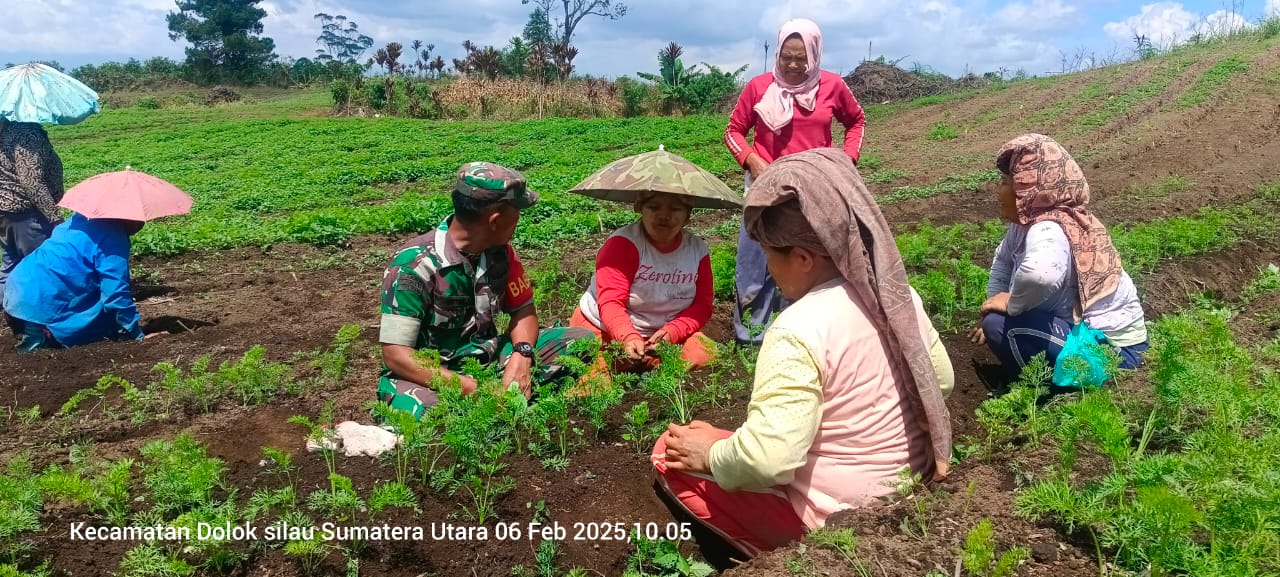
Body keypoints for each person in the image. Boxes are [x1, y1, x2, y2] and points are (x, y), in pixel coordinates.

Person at [651, 149, 953, 561]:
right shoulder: (897, 297)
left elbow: (769, 460)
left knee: (668, 455)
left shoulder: (798, 328)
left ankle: (785, 558)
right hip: (907, 486)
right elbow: (942, 382)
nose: (768, 269)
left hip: (841, 520)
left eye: (770, 255)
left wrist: (710, 454)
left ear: (804, 258)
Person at [377, 162, 594, 419]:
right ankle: (504, 404)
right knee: (429, 414)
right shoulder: (413, 266)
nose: (519, 220)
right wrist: (472, 389)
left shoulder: (501, 254)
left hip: (489, 362)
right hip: (431, 376)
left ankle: (505, 399)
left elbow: (524, 310)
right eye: (517, 211)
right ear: (496, 219)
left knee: (580, 341)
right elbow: (397, 355)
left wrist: (522, 355)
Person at [724, 17, 867, 345]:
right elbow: (733, 131)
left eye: (801, 58)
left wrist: (847, 160)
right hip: (764, 191)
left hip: (812, 192)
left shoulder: (831, 86)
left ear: (815, 56)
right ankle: (751, 336)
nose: (792, 64)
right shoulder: (759, 87)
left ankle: (800, 333)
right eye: (786, 56)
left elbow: (856, 121)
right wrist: (750, 159)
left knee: (807, 260)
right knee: (755, 261)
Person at [968, 134, 1148, 383]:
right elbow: (1003, 263)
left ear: (1027, 190)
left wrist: (1010, 305)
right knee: (997, 323)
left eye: (1006, 182)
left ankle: (1049, 392)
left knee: (999, 328)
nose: (999, 190)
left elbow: (1039, 276)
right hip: (1089, 339)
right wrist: (993, 305)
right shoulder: (1025, 225)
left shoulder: (1050, 228)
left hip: (1111, 354)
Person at [571, 191, 715, 373]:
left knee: (703, 355)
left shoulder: (697, 250)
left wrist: (672, 332)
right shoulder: (622, 245)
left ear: (687, 215)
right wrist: (628, 336)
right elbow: (611, 302)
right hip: (606, 330)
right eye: (654, 207)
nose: (664, 216)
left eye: (675, 209)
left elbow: (703, 305)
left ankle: (650, 370)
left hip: (662, 337)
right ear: (640, 208)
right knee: (592, 383)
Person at [3, 214, 146, 352]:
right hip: (38, 306)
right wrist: (135, 336)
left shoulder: (78, 220)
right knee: (36, 364)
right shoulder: (113, 238)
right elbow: (115, 294)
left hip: (16, 288)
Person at [0, 117, 65, 294]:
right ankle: (36, 318)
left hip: (6, 213)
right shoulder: (26, 133)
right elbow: (31, 182)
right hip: (27, 216)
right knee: (41, 268)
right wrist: (55, 218)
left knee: (11, 266)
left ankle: (11, 310)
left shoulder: (6, 130)